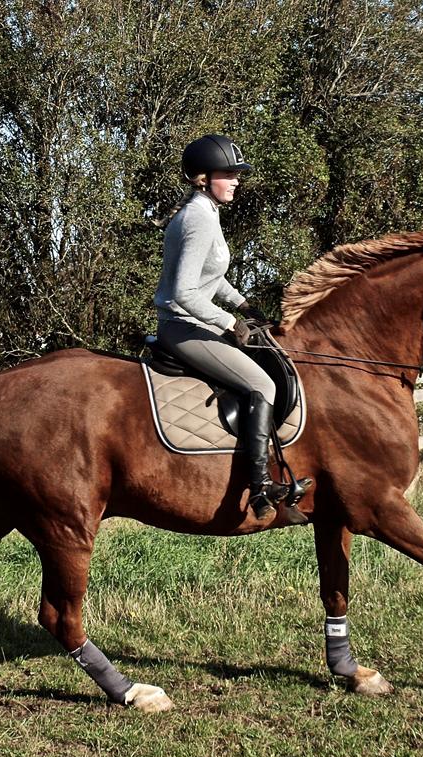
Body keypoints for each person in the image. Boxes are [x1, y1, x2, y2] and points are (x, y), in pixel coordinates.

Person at [153, 133, 289, 521]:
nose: (236, 180)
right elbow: (183, 293)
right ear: (203, 178)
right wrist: (229, 322)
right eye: (229, 174)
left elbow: (209, 277)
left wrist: (243, 304)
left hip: (194, 322)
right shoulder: (198, 218)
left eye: (237, 174)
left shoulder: (206, 212)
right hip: (183, 327)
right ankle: (260, 485)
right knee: (263, 384)